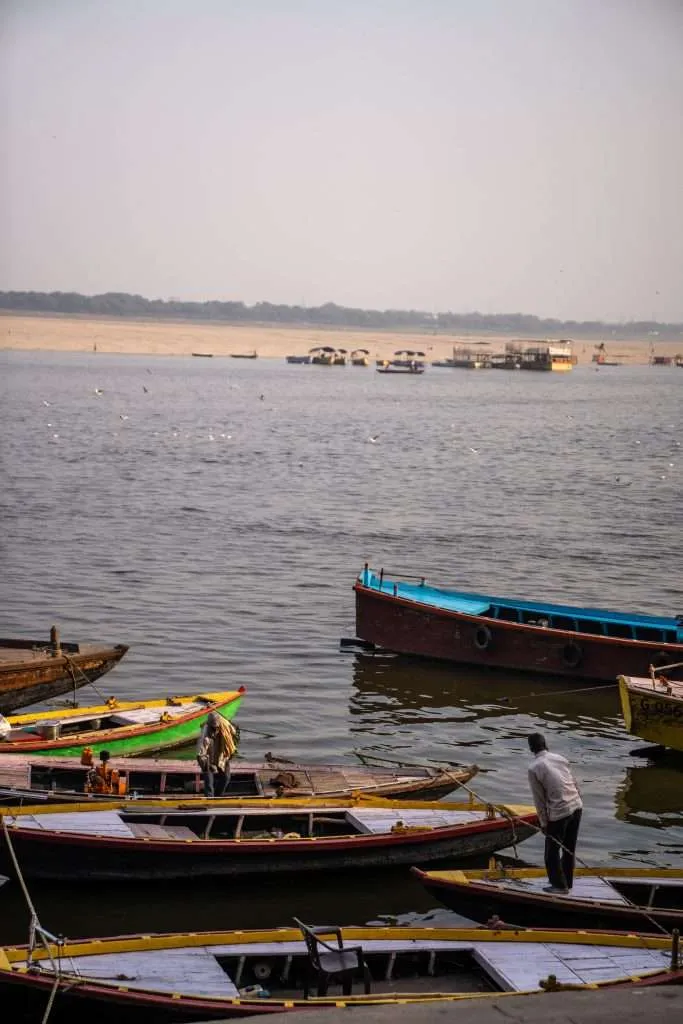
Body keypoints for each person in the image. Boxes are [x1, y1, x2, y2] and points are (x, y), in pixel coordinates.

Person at [527, 733, 583, 894]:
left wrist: (544, 823)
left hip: (559, 812)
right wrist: (578, 800)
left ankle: (559, 885)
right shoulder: (560, 758)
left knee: (551, 851)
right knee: (569, 848)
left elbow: (539, 800)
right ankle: (568, 882)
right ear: (546, 744)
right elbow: (574, 783)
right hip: (577, 805)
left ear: (531, 748)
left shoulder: (534, 768)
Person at [196, 712, 238, 797]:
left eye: (217, 727)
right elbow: (200, 753)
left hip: (222, 756)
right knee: (209, 785)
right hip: (209, 760)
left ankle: (218, 796)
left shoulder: (224, 726)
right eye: (213, 727)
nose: (215, 729)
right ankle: (209, 799)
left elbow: (234, 733)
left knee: (226, 778)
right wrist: (207, 765)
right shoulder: (205, 734)